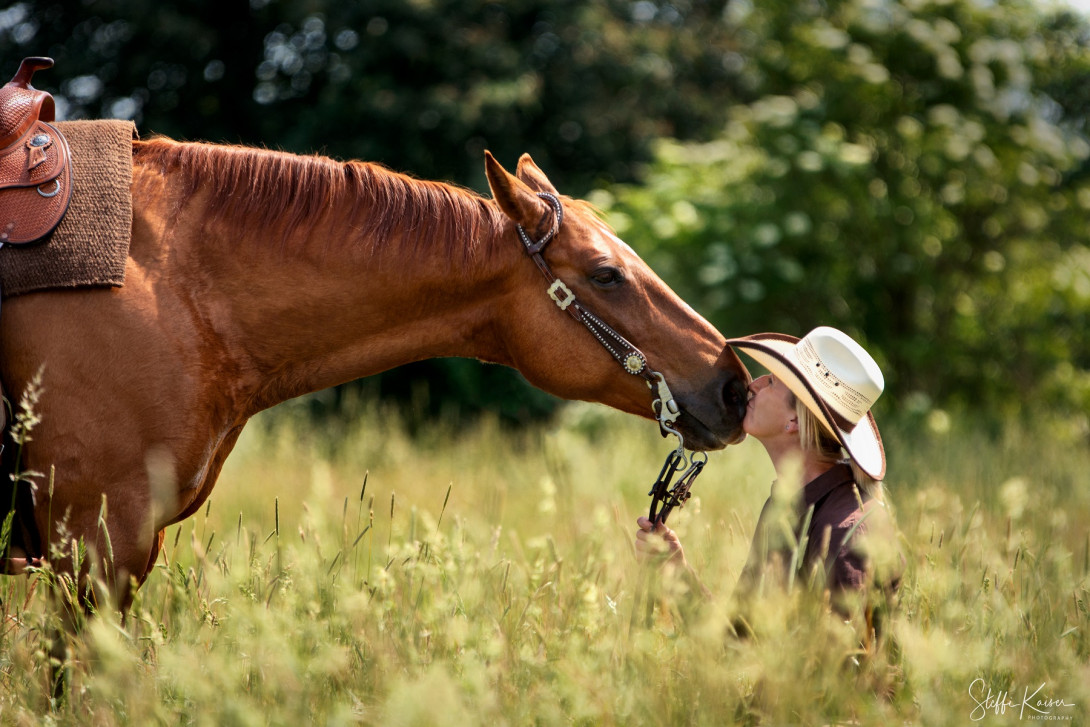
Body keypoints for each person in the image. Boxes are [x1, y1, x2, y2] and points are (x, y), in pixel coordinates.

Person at [634, 326, 902, 631]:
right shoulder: (786, 509)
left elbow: (836, 672)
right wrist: (674, 568)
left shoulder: (846, 538)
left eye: (772, 382)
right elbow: (739, 640)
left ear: (794, 420)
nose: (755, 385)